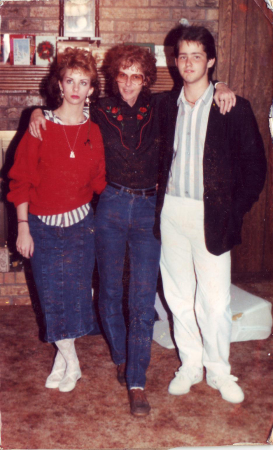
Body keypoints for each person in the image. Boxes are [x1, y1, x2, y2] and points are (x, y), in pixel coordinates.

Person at [29, 44, 236, 416]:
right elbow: (67, 111)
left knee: (141, 300)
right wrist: (36, 113)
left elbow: (197, 85)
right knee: (108, 294)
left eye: (136, 75)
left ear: (146, 78)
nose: (127, 83)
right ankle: (123, 359)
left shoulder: (161, 106)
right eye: (121, 75)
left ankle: (137, 382)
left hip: (147, 210)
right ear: (111, 78)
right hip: (108, 208)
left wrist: (220, 85)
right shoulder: (100, 109)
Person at [156, 25, 267, 403]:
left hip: (213, 215)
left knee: (216, 302)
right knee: (179, 296)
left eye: (197, 56)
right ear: (175, 61)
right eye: (183, 56)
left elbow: (255, 171)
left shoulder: (232, 106)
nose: (188, 63)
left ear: (211, 62)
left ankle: (219, 371)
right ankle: (189, 364)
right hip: (171, 211)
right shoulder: (163, 106)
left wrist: (233, 211)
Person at [8, 47, 106, 393]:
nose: (77, 88)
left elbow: (99, 182)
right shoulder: (40, 126)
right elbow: (20, 180)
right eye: (70, 81)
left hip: (81, 226)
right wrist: (22, 227)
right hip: (41, 227)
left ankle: (61, 360)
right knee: (51, 296)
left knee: (76, 296)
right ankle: (73, 363)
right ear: (60, 86)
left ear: (92, 89)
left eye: (84, 82)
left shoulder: (95, 132)